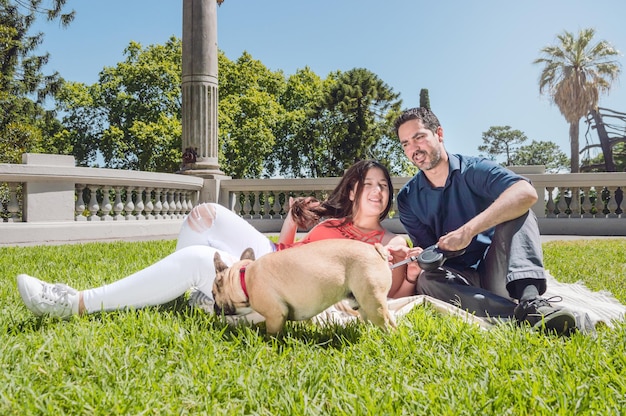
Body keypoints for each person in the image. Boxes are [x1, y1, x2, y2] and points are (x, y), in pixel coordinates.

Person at [17, 160, 415, 319]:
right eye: (369, 184)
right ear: (351, 191)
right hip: (278, 274)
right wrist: (292, 224)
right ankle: (197, 297)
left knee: (196, 259)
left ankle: (75, 304)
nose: (378, 191)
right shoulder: (330, 228)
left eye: (384, 185)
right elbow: (289, 259)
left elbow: (381, 293)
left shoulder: (388, 240)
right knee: (205, 216)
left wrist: (410, 273)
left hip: (296, 302)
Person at [393, 107, 577, 335]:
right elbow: (431, 253)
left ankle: (530, 300)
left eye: (419, 137)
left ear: (439, 134)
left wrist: (468, 231)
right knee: (426, 280)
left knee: (520, 210)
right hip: (457, 280)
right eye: (405, 143)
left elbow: (526, 192)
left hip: (498, 270)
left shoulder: (474, 169)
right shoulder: (408, 199)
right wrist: (419, 257)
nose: (414, 149)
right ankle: (521, 315)